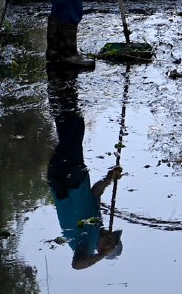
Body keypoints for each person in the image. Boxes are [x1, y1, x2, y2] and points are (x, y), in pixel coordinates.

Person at [47, 74, 124, 270]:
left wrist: (100, 255)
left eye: (109, 241)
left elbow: (77, 265)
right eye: (112, 237)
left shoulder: (85, 246)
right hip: (74, 176)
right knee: (73, 127)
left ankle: (59, 87)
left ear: (105, 247)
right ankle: (62, 87)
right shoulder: (96, 224)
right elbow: (95, 194)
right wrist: (109, 179)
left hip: (67, 181)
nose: (109, 235)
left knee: (72, 127)